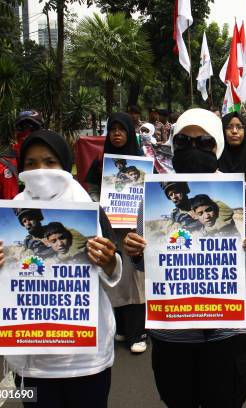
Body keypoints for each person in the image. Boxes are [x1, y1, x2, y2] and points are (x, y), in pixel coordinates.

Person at [122, 108, 246, 408]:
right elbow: (143, 263)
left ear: (217, 146)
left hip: (226, 333)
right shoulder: (154, 196)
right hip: (172, 333)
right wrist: (135, 253)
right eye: (184, 142)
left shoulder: (236, 194)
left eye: (203, 142)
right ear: (173, 146)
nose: (194, 149)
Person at [0, 129, 121, 407]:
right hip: (32, 361)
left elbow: (113, 270)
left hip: (86, 358)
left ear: (65, 164)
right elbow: (2, 277)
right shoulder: (10, 213)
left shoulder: (89, 210)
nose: (40, 170)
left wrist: (107, 259)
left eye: (50, 161)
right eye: (31, 163)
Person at [85, 111, 148, 354]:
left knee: (135, 280)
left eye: (122, 129)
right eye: (113, 130)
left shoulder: (141, 161)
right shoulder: (101, 163)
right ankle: (121, 327)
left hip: (134, 229)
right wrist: (99, 204)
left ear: (130, 133)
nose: (117, 134)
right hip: (109, 228)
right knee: (115, 278)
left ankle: (138, 332)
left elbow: (150, 191)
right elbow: (91, 188)